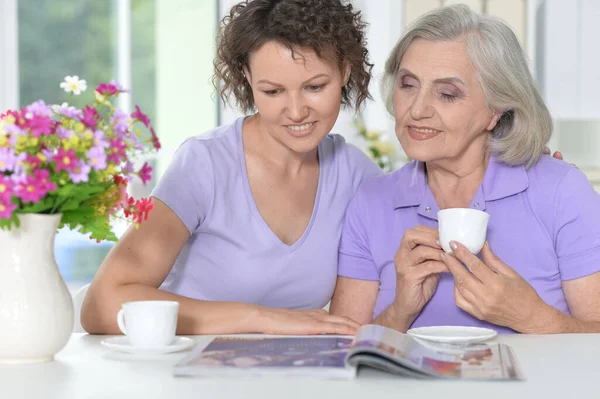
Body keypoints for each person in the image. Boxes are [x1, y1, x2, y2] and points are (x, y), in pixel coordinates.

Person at [81, 0, 382, 336]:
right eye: (272, 91)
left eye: (314, 87)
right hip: (184, 375)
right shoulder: (204, 165)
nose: (296, 111)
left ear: (344, 70)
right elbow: (101, 305)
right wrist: (262, 319)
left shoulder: (355, 174)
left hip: (289, 376)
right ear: (247, 77)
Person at [330, 4, 600, 334]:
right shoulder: (371, 202)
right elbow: (344, 354)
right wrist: (401, 310)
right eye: (408, 84)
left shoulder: (561, 191)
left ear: (496, 110)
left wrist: (531, 316)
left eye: (447, 94)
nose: (417, 110)